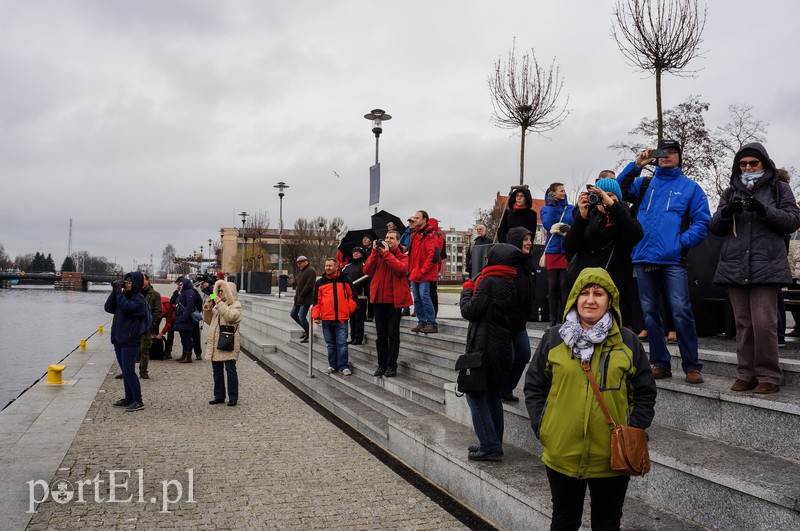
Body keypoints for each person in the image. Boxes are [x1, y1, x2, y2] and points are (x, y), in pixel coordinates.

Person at [524, 268, 656, 529]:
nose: (590, 300)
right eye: (584, 293)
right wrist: (545, 427)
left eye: (598, 293)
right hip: (562, 451)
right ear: (575, 298)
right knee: (564, 521)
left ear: (610, 301)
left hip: (610, 456)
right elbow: (534, 386)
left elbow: (645, 392)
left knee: (607, 524)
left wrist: (633, 427)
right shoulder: (554, 338)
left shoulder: (627, 341)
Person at [616, 139, 710, 383]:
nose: (666, 155)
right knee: (650, 313)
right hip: (643, 256)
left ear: (680, 156)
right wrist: (636, 165)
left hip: (673, 260)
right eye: (662, 152)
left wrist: (681, 242)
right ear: (655, 156)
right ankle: (660, 362)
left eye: (672, 152)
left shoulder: (691, 188)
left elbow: (702, 222)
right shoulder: (645, 184)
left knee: (681, 311)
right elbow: (616, 191)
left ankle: (692, 365)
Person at [709, 143, 800, 394]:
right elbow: (715, 226)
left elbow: (792, 220)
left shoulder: (779, 189)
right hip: (735, 265)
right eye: (743, 164)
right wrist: (728, 212)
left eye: (753, 163)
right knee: (743, 324)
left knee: (764, 324)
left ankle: (769, 374)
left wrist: (762, 210)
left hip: (766, 265)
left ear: (764, 164)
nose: (747, 167)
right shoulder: (730, 191)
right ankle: (746, 373)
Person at [459, 244, 518, 461]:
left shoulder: (487, 282)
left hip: (483, 347)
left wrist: (467, 290)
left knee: (474, 394)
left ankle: (490, 445)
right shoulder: (511, 283)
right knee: (493, 395)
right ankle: (493, 442)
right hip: (502, 346)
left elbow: (469, 311)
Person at [562, 178, 643, 329]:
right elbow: (569, 247)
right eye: (601, 196)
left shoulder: (624, 217)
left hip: (614, 288)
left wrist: (613, 207)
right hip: (585, 288)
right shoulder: (588, 217)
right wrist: (581, 217)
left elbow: (635, 235)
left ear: (618, 198)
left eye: (610, 195)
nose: (605, 199)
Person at [363, 230, 413, 377]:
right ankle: (381, 365)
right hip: (378, 301)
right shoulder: (377, 255)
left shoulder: (402, 256)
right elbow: (367, 270)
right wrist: (373, 251)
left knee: (393, 335)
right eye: (386, 237)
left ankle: (392, 366)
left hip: (394, 303)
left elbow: (401, 270)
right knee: (381, 336)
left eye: (391, 238)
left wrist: (386, 254)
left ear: (398, 242)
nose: (388, 240)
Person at [104, 272, 150, 412]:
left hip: (130, 339)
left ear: (136, 283)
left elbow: (126, 308)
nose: (127, 284)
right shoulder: (122, 296)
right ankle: (129, 398)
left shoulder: (139, 299)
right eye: (126, 282)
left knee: (129, 371)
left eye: (130, 282)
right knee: (125, 371)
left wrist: (119, 293)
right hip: (119, 338)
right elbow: (108, 308)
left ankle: (138, 400)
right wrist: (114, 292)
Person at [503, 227, 536, 402]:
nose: (529, 243)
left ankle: (507, 388)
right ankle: (499, 389)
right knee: (511, 357)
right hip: (505, 321)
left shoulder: (528, 263)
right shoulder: (507, 263)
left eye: (530, 239)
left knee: (523, 354)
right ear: (516, 241)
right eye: (525, 239)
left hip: (520, 322)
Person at [312, 258, 357, 376]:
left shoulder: (345, 280)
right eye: (326, 266)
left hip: (341, 318)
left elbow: (353, 297)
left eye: (330, 266)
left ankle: (343, 366)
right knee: (330, 344)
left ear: (336, 267)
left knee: (342, 344)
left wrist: (348, 310)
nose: (327, 268)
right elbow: (316, 301)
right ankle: (332, 365)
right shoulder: (320, 282)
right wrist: (316, 316)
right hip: (327, 319)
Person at [203, 280, 242, 406]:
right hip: (216, 343)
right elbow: (208, 321)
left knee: (230, 370)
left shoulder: (236, 305)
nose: (219, 293)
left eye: (221, 291)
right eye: (218, 291)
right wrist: (208, 307)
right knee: (217, 371)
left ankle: (233, 396)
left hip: (229, 343)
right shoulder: (217, 305)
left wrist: (218, 302)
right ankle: (219, 395)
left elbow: (231, 317)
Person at [540, 182, 574, 326]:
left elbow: (575, 224)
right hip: (553, 251)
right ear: (552, 193)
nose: (564, 193)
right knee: (553, 286)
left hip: (566, 250)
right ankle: (552, 320)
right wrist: (552, 207)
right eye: (561, 191)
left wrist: (569, 228)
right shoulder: (545, 209)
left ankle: (564, 318)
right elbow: (547, 225)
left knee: (564, 285)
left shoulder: (571, 209)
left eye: (564, 190)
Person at [407, 210, 441, 334]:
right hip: (415, 272)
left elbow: (433, 255)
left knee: (425, 297)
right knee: (417, 298)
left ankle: (432, 323)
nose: (415, 220)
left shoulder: (431, 234)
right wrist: (411, 270)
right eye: (414, 218)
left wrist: (423, 270)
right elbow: (411, 255)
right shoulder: (414, 235)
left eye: (417, 218)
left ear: (424, 220)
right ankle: (422, 321)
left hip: (424, 273)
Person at [137, 272, 162, 379]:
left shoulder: (154, 294)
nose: (142, 282)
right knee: (130, 349)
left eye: (143, 279)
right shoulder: (134, 293)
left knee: (144, 349)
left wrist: (150, 322)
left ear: (148, 280)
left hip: (146, 326)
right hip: (134, 325)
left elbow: (158, 311)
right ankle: (127, 371)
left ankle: (143, 371)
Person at [341, 247, 368, 345]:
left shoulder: (364, 264)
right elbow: (341, 276)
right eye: (354, 252)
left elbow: (367, 277)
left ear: (362, 254)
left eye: (358, 252)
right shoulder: (348, 266)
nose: (356, 254)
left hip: (360, 295)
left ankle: (358, 338)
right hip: (349, 296)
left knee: (359, 318)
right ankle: (352, 337)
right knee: (352, 318)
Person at [290, 255, 316, 343]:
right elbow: (299, 285)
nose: (298, 265)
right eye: (298, 263)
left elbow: (309, 285)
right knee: (293, 314)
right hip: (298, 298)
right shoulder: (303, 271)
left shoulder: (311, 271)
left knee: (302, 317)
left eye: (300, 263)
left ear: (306, 262)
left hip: (305, 299)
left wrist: (301, 295)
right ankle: (307, 330)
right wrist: (297, 296)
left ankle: (309, 334)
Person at [174, 277, 199, 363]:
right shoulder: (181, 292)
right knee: (183, 338)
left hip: (187, 319)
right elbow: (174, 301)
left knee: (189, 338)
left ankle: (190, 355)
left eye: (181, 284)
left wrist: (184, 317)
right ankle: (184, 354)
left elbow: (190, 306)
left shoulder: (190, 292)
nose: (179, 285)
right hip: (181, 318)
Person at [156, 295, 175, 359]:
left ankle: (168, 351)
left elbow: (168, 323)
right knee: (155, 328)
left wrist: (161, 333)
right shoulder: (155, 305)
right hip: (158, 310)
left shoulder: (169, 307)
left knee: (171, 330)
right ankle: (154, 348)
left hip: (169, 309)